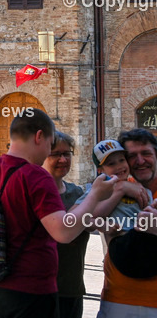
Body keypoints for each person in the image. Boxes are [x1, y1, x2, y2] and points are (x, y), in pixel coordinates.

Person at [0, 110, 119, 318]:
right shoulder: (36, 176)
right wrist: (96, 195)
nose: (48, 152)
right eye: (50, 144)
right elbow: (63, 232)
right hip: (31, 290)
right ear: (39, 137)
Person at [95, 128, 157, 317]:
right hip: (118, 299)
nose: (140, 161)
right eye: (131, 156)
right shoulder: (107, 191)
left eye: (146, 153)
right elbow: (79, 220)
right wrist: (120, 189)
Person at [43, 132, 89, 318]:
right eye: (56, 154)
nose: (63, 159)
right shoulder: (34, 193)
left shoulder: (77, 193)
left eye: (67, 153)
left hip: (72, 288)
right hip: (39, 291)